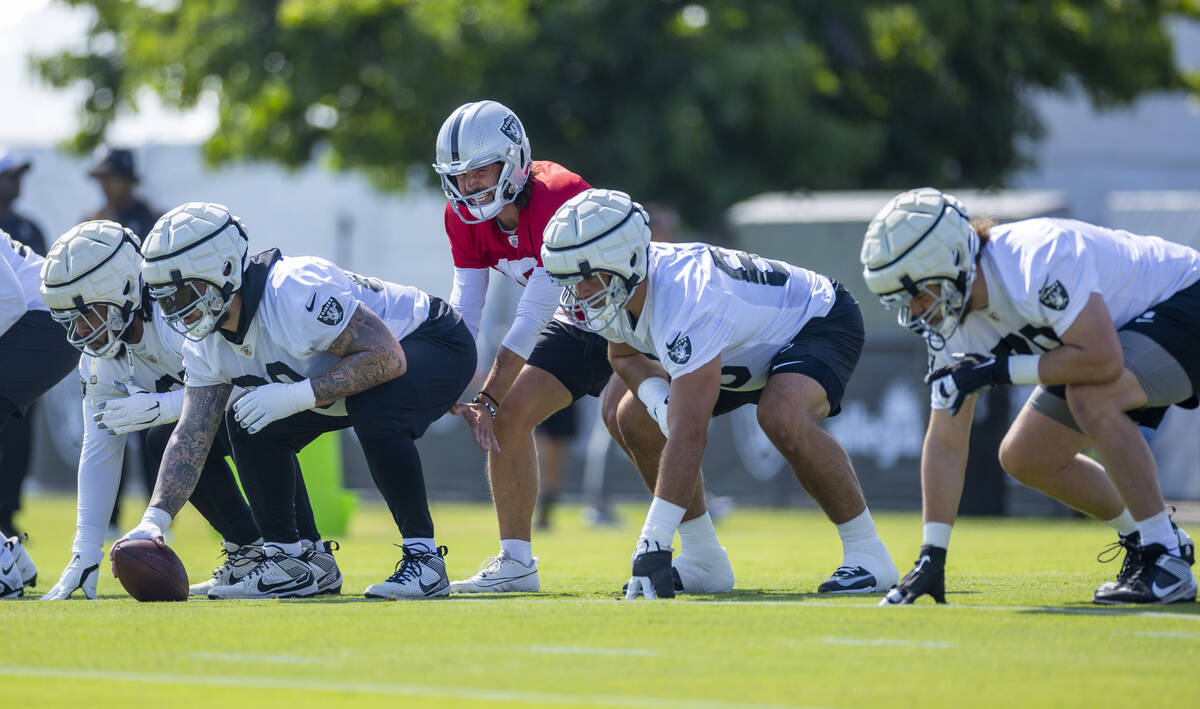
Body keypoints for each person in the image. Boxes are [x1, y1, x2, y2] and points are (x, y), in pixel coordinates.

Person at [434, 100, 733, 595]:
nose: (470, 187)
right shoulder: (462, 217)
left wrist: (484, 395)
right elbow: (466, 307)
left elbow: (531, 316)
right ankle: (516, 562)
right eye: (460, 177)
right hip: (576, 318)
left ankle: (701, 550)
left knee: (628, 420)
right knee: (510, 417)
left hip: (626, 309)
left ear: (513, 161)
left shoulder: (558, 195)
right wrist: (444, 377)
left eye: (481, 171)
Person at [542, 189, 898, 599]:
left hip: (813, 322)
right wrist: (659, 403)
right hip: (737, 348)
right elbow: (621, 354)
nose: (581, 293)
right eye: (572, 280)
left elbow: (690, 432)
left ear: (629, 261)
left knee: (781, 415)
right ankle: (702, 558)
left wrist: (654, 540)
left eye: (588, 278)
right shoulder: (622, 287)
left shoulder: (688, 295)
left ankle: (868, 553)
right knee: (632, 415)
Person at [113, 202, 475, 600]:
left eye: (186, 291)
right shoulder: (205, 343)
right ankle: (295, 560)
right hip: (351, 372)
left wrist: (296, 395)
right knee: (246, 421)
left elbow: (386, 357)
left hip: (431, 341)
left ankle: (424, 560)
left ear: (227, 270)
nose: (178, 309)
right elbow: (192, 433)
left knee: (373, 411)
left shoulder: (293, 292)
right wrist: (154, 520)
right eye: (167, 298)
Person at [860, 187, 1197, 605]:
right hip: (1114, 337)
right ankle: (1156, 539)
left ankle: (1164, 557)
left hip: (1184, 298)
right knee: (1025, 456)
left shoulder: (1035, 258)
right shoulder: (952, 323)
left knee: (1092, 397)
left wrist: (997, 371)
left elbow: (1103, 361)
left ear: (952, 261)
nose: (914, 311)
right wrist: (932, 555)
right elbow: (946, 440)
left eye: (917, 293)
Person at [38, 220, 336, 600]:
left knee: (241, 417)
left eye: (87, 314)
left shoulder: (175, 317)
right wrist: (85, 551)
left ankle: (308, 553)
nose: (80, 332)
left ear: (126, 288)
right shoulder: (99, 361)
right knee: (164, 438)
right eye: (70, 320)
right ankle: (250, 551)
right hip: (245, 408)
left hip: (287, 392)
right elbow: (98, 448)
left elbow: (244, 384)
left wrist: (159, 407)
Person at [83, 146, 165, 535]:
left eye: (110, 176)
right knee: (110, 426)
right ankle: (110, 520)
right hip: (111, 343)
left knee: (154, 427)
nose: (105, 184)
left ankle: (158, 511)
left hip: (150, 336)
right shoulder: (93, 222)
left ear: (127, 177)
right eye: (101, 177)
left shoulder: (153, 218)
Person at [0, 228, 81, 597]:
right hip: (41, 322)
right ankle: (10, 556)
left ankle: (2, 564)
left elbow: (9, 299)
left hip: (43, 322)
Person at [0, 148, 49, 538]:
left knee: (18, 439)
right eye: (8, 174)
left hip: (35, 322)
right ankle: (7, 549)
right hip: (32, 327)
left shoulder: (30, 225)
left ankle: (4, 539)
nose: (15, 182)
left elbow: (12, 298)